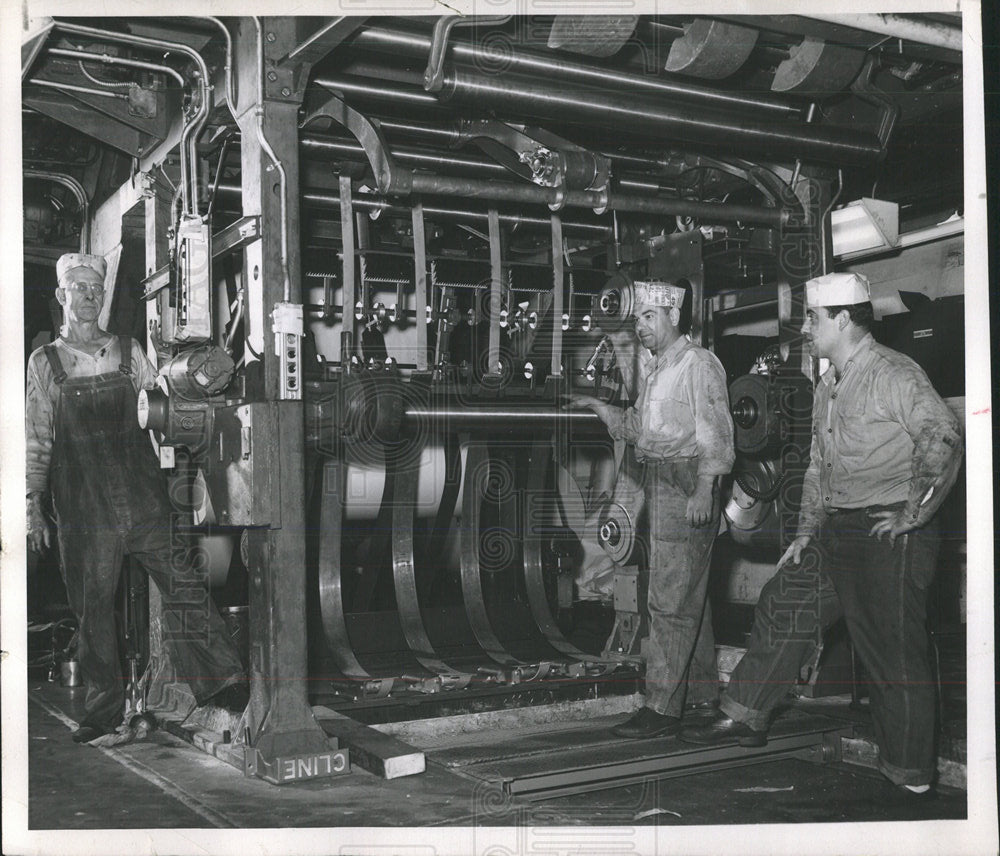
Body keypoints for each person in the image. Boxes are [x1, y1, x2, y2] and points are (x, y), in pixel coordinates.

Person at [680, 272, 963, 797]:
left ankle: (909, 780)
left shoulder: (893, 374)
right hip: (836, 529)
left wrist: (913, 513)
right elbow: (816, 465)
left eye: (812, 318)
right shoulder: (830, 383)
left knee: (892, 651)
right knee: (784, 600)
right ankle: (746, 714)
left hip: (887, 532)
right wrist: (807, 529)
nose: (806, 328)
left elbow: (943, 435)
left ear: (841, 319)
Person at [26, 252, 248, 744]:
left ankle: (225, 689)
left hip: (143, 497)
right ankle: (102, 713)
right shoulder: (45, 363)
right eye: (79, 287)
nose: (89, 295)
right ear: (62, 295)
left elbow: (165, 418)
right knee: (93, 610)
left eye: (95, 288)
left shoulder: (129, 353)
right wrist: (32, 504)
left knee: (184, 584)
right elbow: (37, 438)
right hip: (84, 509)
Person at [567, 279, 735, 738]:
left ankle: (660, 708)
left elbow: (717, 433)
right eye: (637, 318)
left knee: (668, 600)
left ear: (674, 317)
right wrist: (599, 407)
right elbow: (639, 427)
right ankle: (700, 698)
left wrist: (706, 487)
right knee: (687, 597)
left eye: (648, 317)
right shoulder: (659, 369)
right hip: (661, 480)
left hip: (687, 482)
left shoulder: (698, 364)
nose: (640, 327)